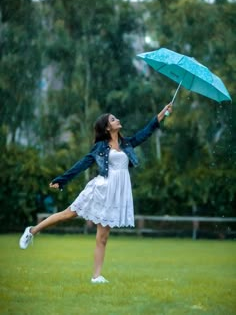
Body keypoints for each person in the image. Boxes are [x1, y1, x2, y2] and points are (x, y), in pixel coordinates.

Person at [19, 103, 172, 283]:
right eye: (113, 119)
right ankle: (32, 231)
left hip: (117, 192)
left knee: (103, 237)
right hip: (100, 189)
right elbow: (83, 164)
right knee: (67, 214)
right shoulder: (100, 147)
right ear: (107, 127)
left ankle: (96, 276)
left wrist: (162, 113)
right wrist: (62, 180)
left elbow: (146, 132)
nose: (118, 120)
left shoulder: (126, 143)